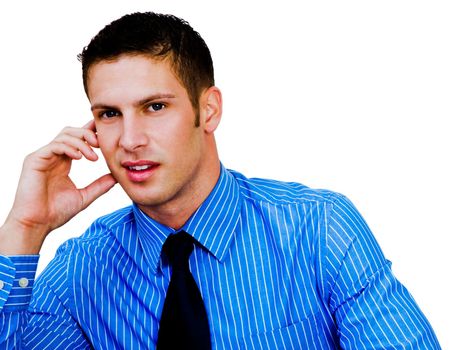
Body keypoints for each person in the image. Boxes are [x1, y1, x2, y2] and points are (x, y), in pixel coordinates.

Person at [0, 11, 441, 349]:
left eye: (155, 107)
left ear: (208, 110)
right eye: (109, 114)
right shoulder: (84, 269)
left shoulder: (319, 230)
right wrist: (23, 230)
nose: (129, 140)